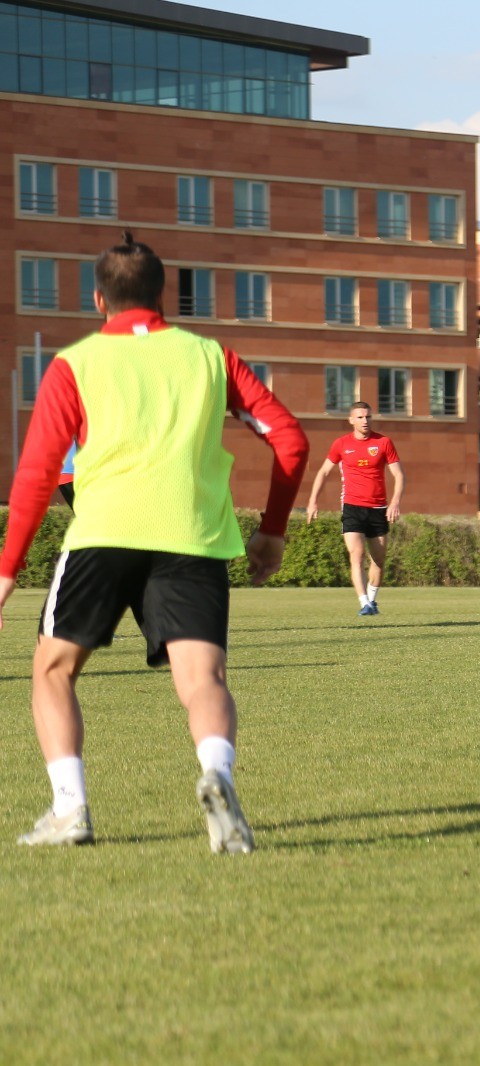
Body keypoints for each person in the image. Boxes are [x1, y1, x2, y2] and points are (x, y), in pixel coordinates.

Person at [0, 231, 309, 851]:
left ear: (98, 300)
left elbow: (36, 473)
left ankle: (70, 810)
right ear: (163, 295)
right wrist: (271, 534)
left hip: (103, 532)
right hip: (192, 538)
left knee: (54, 670)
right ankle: (217, 776)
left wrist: (8, 567)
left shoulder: (75, 364)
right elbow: (291, 440)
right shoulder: (211, 357)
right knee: (204, 679)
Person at [306, 402, 404, 616]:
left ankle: (372, 598)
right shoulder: (341, 444)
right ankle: (363, 603)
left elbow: (398, 474)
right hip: (352, 506)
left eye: (368, 416)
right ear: (351, 420)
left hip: (379, 508)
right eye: (359, 417)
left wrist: (395, 501)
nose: (365, 421)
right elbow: (323, 472)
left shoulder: (384, 442)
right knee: (356, 554)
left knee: (378, 559)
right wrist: (313, 500)